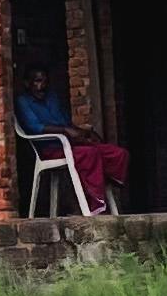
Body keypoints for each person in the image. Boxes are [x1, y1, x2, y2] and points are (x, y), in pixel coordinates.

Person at [13, 67, 126, 204]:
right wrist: (65, 131)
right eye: (37, 81)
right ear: (27, 83)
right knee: (90, 154)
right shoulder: (23, 102)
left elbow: (67, 123)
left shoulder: (52, 97)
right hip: (50, 148)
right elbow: (34, 127)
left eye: (45, 81)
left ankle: (107, 185)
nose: (42, 86)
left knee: (116, 153)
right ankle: (93, 202)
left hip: (70, 143)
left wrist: (84, 133)